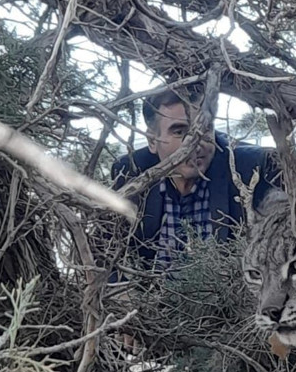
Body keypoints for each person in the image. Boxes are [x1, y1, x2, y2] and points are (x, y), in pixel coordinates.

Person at [111, 84, 280, 270]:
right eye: (179, 132)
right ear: (152, 140)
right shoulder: (131, 173)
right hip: (152, 295)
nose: (195, 144)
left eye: (205, 128)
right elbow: (103, 250)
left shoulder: (254, 166)